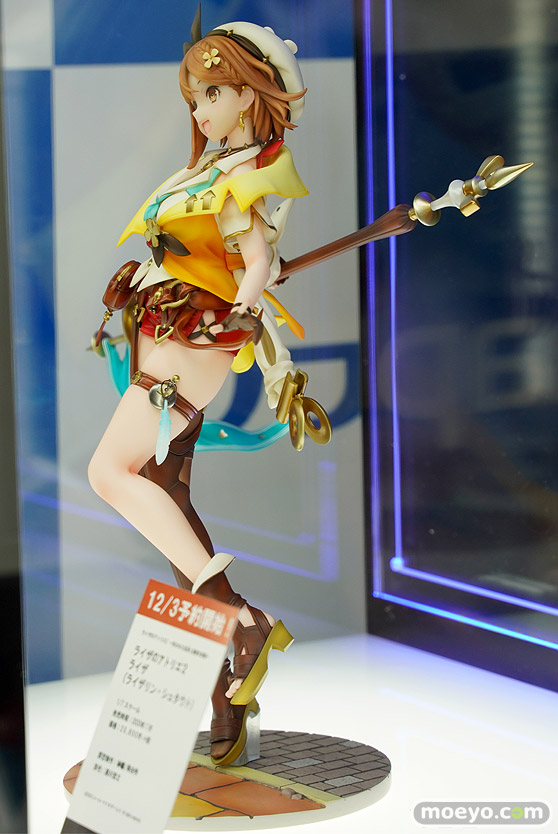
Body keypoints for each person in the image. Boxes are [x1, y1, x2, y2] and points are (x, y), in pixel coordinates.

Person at [89, 19, 314, 766]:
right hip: (167, 333)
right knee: (167, 500)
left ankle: (239, 618)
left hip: (195, 341)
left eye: (213, 93)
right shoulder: (208, 168)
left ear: (249, 96)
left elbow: (257, 257)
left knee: (109, 473)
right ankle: (227, 679)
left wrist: (246, 302)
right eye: (195, 96)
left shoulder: (249, 171)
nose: (200, 108)